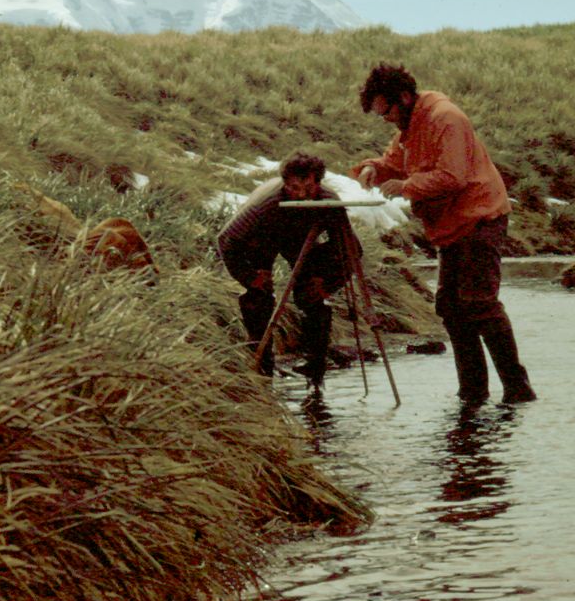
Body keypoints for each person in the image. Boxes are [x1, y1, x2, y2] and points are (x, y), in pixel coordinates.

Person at [352, 64, 537, 403]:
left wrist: (406, 186)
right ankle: (473, 392)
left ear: (404, 98)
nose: (386, 119)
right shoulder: (411, 124)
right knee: (451, 306)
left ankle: (518, 390)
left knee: (479, 303)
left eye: (387, 111)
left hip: (480, 217)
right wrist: (373, 168)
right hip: (452, 225)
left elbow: (453, 176)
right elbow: (393, 162)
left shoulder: (445, 118)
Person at [218, 152, 357, 385]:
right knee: (258, 296)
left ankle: (316, 365)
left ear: (319, 183)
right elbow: (226, 240)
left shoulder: (329, 201)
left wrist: (328, 283)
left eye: (308, 187)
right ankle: (262, 362)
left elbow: (350, 249)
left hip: (302, 239)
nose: (301, 195)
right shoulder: (265, 204)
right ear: (285, 183)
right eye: (293, 188)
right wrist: (249, 277)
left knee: (311, 295)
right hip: (263, 238)